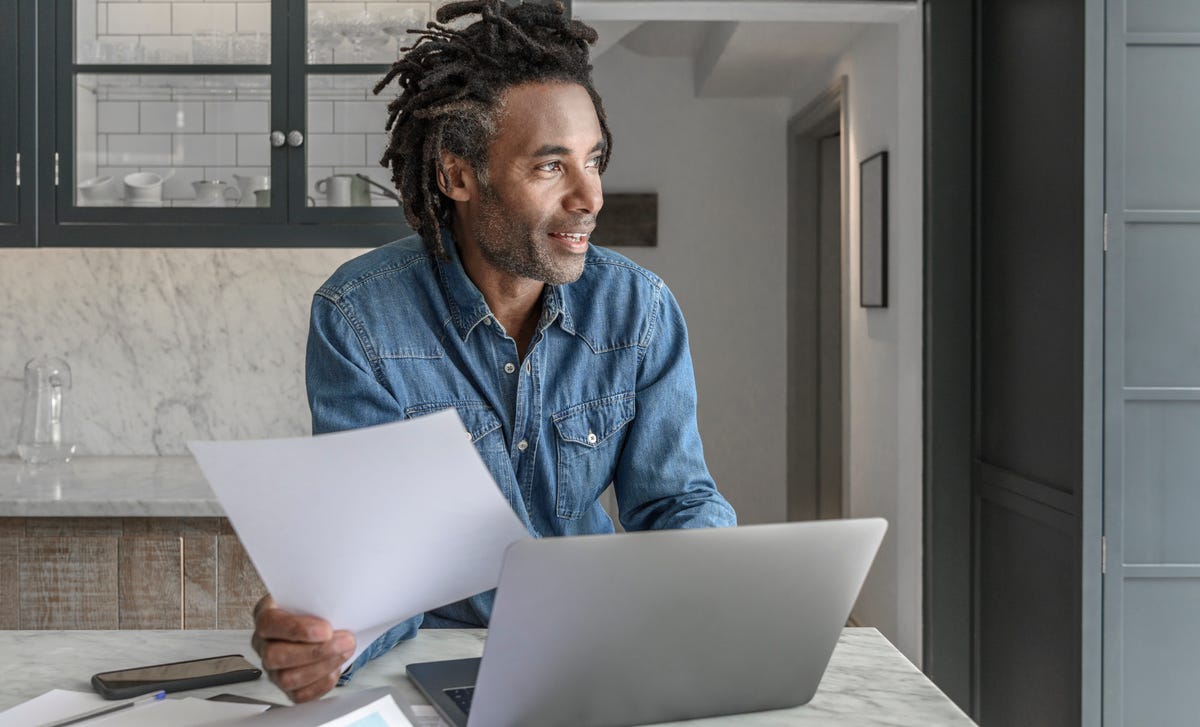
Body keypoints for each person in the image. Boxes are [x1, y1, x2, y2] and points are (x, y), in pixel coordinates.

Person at [251, 0, 737, 703]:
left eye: (593, 160)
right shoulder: (360, 317)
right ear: (457, 176)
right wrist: (332, 635)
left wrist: (721, 588)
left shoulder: (641, 310)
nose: (590, 196)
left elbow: (673, 500)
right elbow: (383, 554)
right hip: (437, 658)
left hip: (597, 648)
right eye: (550, 167)